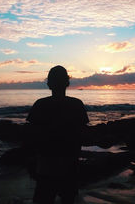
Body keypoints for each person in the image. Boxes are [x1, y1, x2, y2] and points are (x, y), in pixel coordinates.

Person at [27, 65, 89, 204]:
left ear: (49, 84)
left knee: (43, 199)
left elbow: (31, 136)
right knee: (68, 199)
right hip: (70, 166)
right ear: (67, 82)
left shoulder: (40, 105)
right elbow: (83, 134)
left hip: (46, 166)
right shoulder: (77, 105)